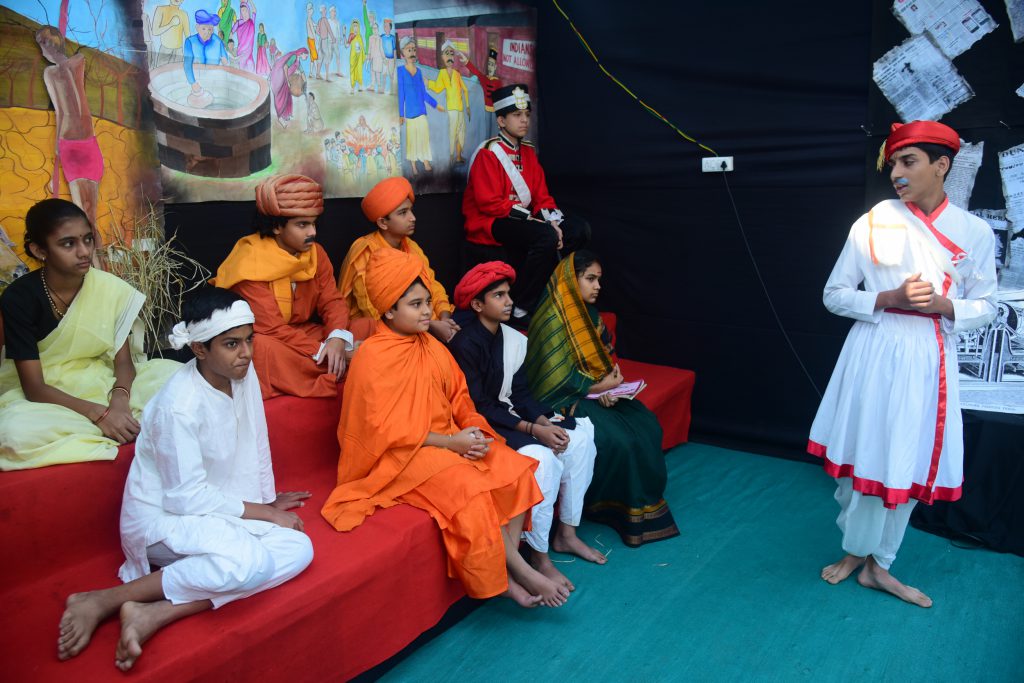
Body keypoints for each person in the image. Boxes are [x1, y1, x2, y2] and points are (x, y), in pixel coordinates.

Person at [56, 287, 314, 671]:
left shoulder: (241, 374)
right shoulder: (179, 406)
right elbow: (185, 498)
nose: (245, 352)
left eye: (249, 340)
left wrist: (265, 500)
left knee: (299, 548)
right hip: (163, 519)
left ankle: (156, 612)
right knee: (248, 561)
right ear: (198, 349)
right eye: (231, 344)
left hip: (212, 508)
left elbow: (254, 442)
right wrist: (264, 513)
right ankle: (103, 599)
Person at [809, 121, 998, 607]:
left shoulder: (974, 232)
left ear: (942, 165)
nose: (896, 172)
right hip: (871, 350)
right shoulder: (873, 221)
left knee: (905, 459)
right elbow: (834, 295)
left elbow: (988, 305)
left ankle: (881, 565)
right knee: (861, 457)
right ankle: (856, 549)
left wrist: (944, 305)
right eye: (892, 162)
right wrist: (888, 298)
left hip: (928, 358)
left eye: (908, 161)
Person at [321, 248, 569, 607]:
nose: (427, 312)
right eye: (415, 305)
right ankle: (519, 573)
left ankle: (506, 567)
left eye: (427, 302)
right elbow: (381, 433)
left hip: (449, 440)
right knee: (471, 489)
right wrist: (451, 443)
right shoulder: (371, 357)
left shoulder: (432, 347)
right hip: (404, 454)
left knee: (514, 472)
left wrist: (476, 433)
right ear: (389, 310)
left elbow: (461, 399)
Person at [449, 262, 606, 592]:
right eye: (498, 296)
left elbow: (520, 393)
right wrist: (535, 431)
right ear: (477, 305)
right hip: (484, 425)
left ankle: (566, 534)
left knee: (578, 440)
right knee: (543, 461)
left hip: (512, 416)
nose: (508, 302)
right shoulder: (465, 345)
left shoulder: (511, 338)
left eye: (508, 294)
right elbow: (479, 406)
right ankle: (538, 555)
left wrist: (544, 421)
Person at [0, 199, 180, 471]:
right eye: (68, 244)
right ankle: (122, 427)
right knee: (14, 433)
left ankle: (111, 426)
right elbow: (34, 388)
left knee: (177, 379)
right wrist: (100, 414)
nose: (84, 251)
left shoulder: (109, 288)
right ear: (39, 250)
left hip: (102, 379)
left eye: (87, 239)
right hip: (49, 395)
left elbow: (123, 362)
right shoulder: (18, 298)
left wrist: (119, 402)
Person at [525, 251, 679, 547]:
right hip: (561, 401)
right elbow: (552, 380)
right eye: (590, 279)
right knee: (620, 440)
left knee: (647, 424)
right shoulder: (551, 320)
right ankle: (609, 506)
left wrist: (608, 389)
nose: (597, 286)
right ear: (572, 280)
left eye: (599, 279)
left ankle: (643, 503)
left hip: (596, 393)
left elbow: (604, 361)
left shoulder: (590, 316)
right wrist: (597, 388)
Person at [212, 174, 355, 399]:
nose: (313, 233)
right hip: (270, 338)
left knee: (364, 327)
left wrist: (336, 339)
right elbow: (272, 329)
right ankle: (337, 367)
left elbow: (332, 300)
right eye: (302, 225)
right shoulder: (250, 262)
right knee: (262, 349)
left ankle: (332, 364)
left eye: (314, 223)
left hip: (301, 332)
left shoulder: (316, 253)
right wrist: (325, 351)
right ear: (277, 226)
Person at [463, 84, 590, 321]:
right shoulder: (488, 153)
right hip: (491, 222)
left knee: (578, 229)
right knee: (546, 236)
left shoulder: (528, 152)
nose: (524, 120)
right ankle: (521, 303)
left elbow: (541, 196)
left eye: (527, 115)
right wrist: (535, 220)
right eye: (517, 115)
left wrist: (552, 220)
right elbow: (489, 203)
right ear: (501, 120)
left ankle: (549, 292)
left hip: (519, 220)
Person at [338, 177, 458, 343]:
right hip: (377, 328)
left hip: (420, 319)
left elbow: (432, 286)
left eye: (411, 210)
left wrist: (444, 318)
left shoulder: (411, 247)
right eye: (403, 213)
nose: (412, 218)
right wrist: (431, 325)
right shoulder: (365, 251)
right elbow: (373, 309)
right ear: (383, 222)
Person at [36, 26, 104, 258]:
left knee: (90, 216)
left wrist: (64, 66)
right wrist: (58, 145)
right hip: (69, 146)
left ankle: (101, 267)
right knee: (83, 216)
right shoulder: (52, 73)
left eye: (44, 45)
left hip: (86, 144)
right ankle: (91, 264)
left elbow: (74, 99)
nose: (43, 51)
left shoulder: (76, 62)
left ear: (53, 43)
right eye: (41, 45)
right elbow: (60, 111)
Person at [397, 36, 443, 176]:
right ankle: (413, 165)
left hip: (421, 111)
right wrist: (401, 114)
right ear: (403, 52)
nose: (412, 52)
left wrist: (436, 105)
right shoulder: (400, 71)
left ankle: (425, 161)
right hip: (410, 113)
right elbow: (401, 94)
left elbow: (424, 94)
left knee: (424, 136)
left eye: (414, 49)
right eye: (409, 50)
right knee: (412, 139)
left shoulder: (419, 72)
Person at [428, 40, 470, 165]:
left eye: (452, 54)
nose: (450, 57)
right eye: (447, 54)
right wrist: (428, 83)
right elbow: (437, 87)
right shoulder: (442, 73)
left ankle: (458, 157)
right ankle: (451, 156)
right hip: (452, 109)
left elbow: (465, 89)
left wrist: (468, 106)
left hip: (460, 109)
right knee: (453, 133)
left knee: (461, 134)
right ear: (442, 57)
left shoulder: (457, 74)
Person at [183, 9, 229, 107]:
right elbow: (187, 64)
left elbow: (226, 61)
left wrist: (225, 63)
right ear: (197, 27)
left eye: (210, 29)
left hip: (215, 80)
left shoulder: (218, 41)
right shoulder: (190, 42)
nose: (207, 32)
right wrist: (193, 83)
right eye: (204, 29)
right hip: (196, 81)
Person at [457, 48, 501, 138]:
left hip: (496, 112)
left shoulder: (498, 82)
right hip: (486, 110)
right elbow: (475, 71)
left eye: (492, 65)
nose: (490, 67)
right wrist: (466, 61)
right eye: (489, 64)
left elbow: (501, 98)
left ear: (495, 67)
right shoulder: (484, 79)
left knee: (495, 133)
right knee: (487, 133)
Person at [269, 47, 308, 124]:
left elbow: (302, 72)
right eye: (306, 56)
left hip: (286, 78)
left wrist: (305, 82)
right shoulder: (294, 57)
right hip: (281, 77)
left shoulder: (298, 61)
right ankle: (280, 116)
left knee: (287, 96)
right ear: (302, 53)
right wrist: (287, 81)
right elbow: (285, 67)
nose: (306, 57)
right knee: (281, 96)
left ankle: (285, 115)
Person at [151, 0, 190, 67]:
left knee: (178, 71)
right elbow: (155, 32)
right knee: (161, 70)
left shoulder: (184, 14)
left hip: (179, 51)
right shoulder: (161, 9)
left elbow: (188, 36)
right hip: (165, 50)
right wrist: (170, 24)